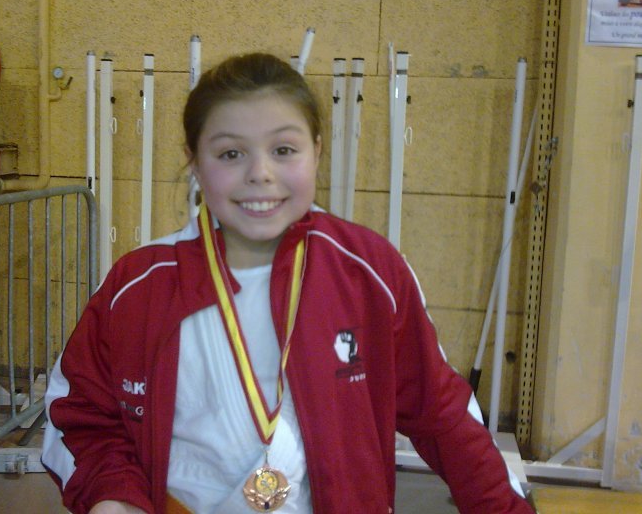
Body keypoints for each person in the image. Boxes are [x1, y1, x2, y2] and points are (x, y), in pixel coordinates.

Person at [41, 53, 534, 514]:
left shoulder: (367, 272)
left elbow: (444, 416)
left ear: (316, 150)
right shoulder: (138, 287)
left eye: (283, 150)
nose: (260, 174)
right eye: (230, 153)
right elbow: (79, 414)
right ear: (194, 160)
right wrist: (113, 495)